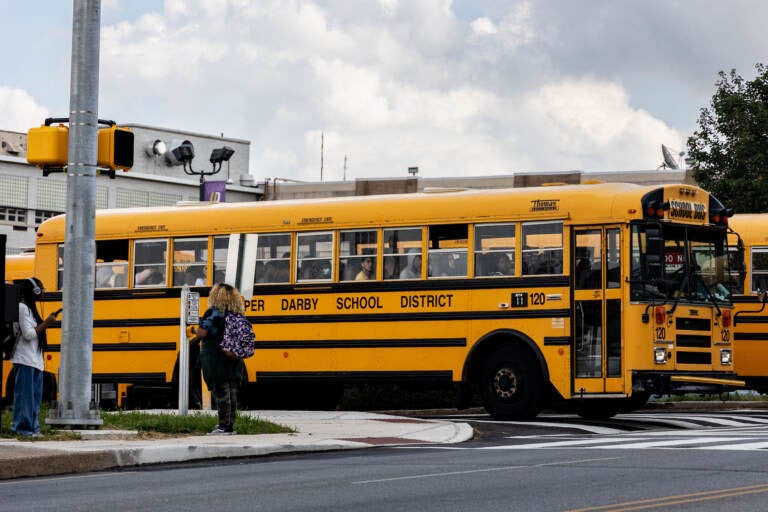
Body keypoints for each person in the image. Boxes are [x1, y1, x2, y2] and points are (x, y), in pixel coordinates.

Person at [189, 283, 245, 435]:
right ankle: (230, 426)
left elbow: (202, 333)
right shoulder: (236, 314)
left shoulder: (213, 313)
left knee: (221, 393)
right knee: (232, 393)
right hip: (233, 357)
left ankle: (222, 427)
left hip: (216, 358)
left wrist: (194, 330)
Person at [11, 277, 57, 437]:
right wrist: (47, 323)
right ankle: (22, 428)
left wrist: (44, 323)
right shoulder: (22, 308)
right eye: (40, 289)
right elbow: (29, 334)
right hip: (24, 359)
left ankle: (33, 427)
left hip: (35, 360)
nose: (42, 292)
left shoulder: (31, 309)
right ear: (33, 291)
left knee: (35, 397)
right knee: (25, 397)